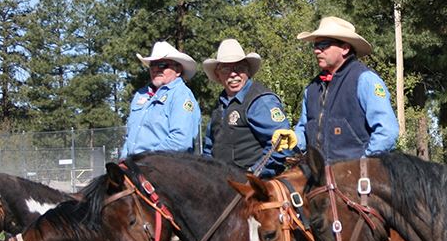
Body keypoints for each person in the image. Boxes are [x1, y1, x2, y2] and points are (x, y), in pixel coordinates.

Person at [272, 16, 399, 162]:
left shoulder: (365, 80)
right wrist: (295, 139)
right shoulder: (312, 89)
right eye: (315, 46)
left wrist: (363, 164)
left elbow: (387, 132)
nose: (317, 51)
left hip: (357, 179)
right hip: (319, 177)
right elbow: (304, 131)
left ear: (345, 48)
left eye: (324, 45)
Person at [201, 38, 292, 176]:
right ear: (218, 75)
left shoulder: (260, 101)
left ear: (248, 71)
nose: (233, 74)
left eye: (239, 68)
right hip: (222, 186)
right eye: (226, 68)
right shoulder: (219, 105)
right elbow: (209, 148)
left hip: (255, 188)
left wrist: (253, 174)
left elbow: (282, 144)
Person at [121, 41, 201, 158]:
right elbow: (129, 137)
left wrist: (146, 160)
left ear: (178, 70)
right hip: (135, 167)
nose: (156, 69)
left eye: (162, 65)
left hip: (164, 168)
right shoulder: (140, 95)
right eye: (152, 65)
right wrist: (123, 161)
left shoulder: (181, 95)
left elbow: (180, 140)